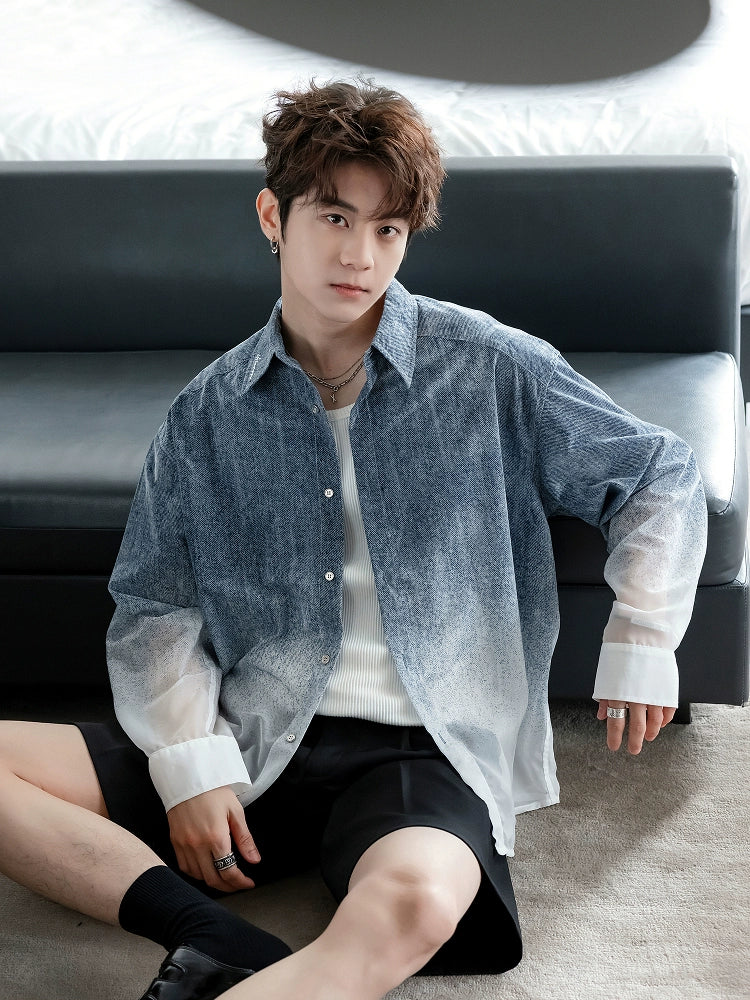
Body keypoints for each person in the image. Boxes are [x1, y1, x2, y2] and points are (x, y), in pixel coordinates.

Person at [0, 79, 707, 1000]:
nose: (360, 256)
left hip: (422, 747)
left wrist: (642, 635)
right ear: (273, 216)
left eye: (388, 229)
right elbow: (157, 603)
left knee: (413, 906)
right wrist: (190, 767)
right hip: (257, 727)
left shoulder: (487, 365)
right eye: (335, 217)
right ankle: (209, 936)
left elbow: (657, 472)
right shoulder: (208, 414)